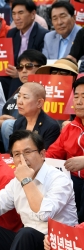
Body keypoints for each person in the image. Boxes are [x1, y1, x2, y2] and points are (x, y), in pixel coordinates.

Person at [46, 76, 84, 223]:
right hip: (72, 181)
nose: (79, 102)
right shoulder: (70, 127)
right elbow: (53, 153)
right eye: (76, 97)